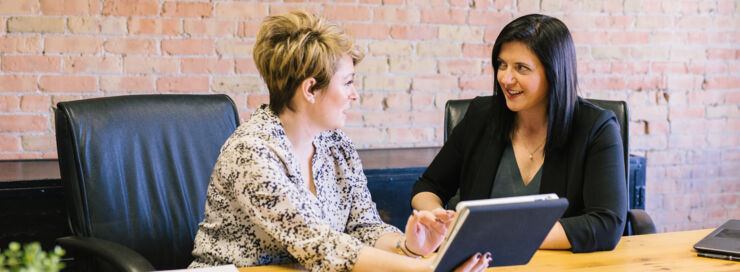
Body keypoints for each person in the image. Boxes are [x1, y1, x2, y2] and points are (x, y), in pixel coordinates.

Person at [189, 11, 491, 271]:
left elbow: (363, 227)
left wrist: (408, 245)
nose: (354, 94)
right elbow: (320, 245)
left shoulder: (336, 145)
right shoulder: (253, 152)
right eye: (347, 82)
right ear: (310, 89)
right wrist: (422, 266)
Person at [410, 14, 628, 253]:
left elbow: (607, 223)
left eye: (521, 68)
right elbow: (428, 186)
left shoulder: (596, 127)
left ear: (554, 72)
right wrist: (435, 217)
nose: (505, 78)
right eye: (502, 65)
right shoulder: (481, 117)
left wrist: (501, 234)